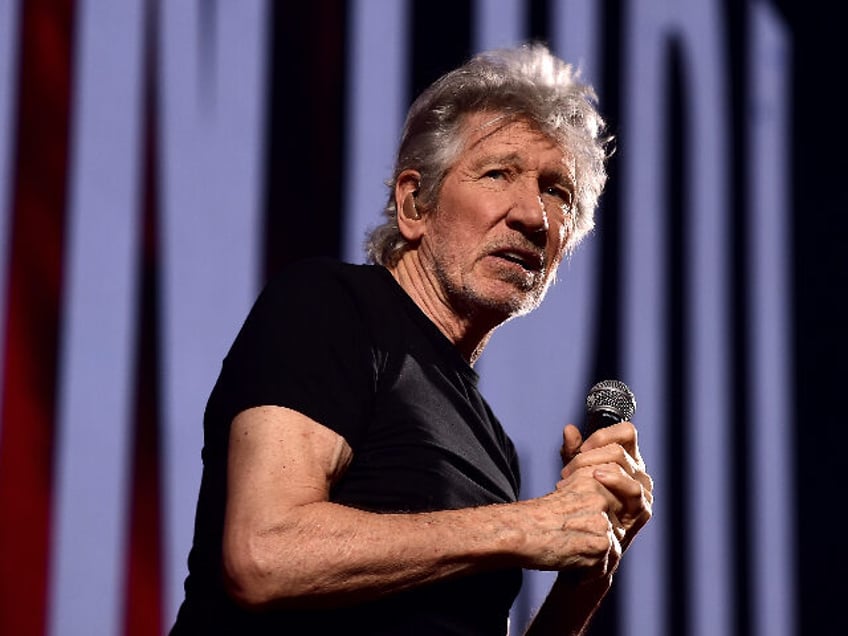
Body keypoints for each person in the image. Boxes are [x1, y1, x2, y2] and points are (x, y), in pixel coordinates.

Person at [171, 43, 653, 635]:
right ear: (413, 204)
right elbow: (264, 555)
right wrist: (527, 526)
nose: (533, 214)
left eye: (558, 191)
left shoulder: (494, 446)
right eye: (498, 172)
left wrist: (592, 564)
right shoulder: (331, 306)